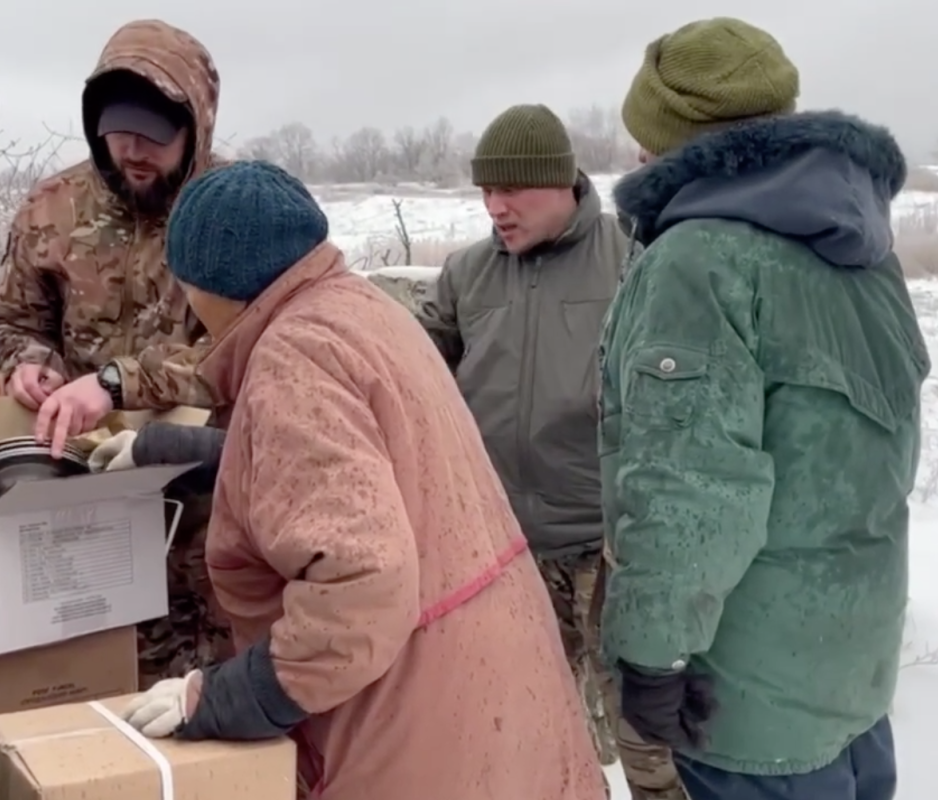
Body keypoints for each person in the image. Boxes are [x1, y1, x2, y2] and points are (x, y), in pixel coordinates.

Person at [93, 160, 605, 800]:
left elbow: (361, 587)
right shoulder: (359, 310)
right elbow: (344, 466)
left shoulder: (293, 357)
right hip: (493, 678)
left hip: (415, 723)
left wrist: (227, 696)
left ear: (210, 282)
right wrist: (171, 448)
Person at [598, 17, 929, 800]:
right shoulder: (859, 246)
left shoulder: (698, 259)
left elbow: (691, 487)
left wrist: (651, 655)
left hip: (746, 702)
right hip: (851, 670)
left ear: (668, 140)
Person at [417, 104, 685, 799]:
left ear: (562, 181)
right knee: (532, 739)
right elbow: (412, 374)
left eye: (511, 190)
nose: (494, 208)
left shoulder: (634, 256)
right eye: (484, 191)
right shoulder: (467, 275)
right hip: (505, 556)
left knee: (651, 746)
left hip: (609, 551)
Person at [0, 19, 232, 687]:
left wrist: (117, 382)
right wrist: (30, 362)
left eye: (154, 138)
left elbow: (251, 347)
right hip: (87, 496)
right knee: (105, 685)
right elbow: (16, 320)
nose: (133, 152)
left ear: (196, 127)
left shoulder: (233, 212)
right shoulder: (51, 210)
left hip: (215, 506)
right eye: (118, 133)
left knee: (225, 695)